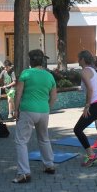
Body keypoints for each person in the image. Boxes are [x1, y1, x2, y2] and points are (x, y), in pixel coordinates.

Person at [11, 49, 58, 183]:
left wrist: (15, 110)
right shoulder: (49, 76)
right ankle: (49, 165)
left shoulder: (26, 73)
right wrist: (47, 108)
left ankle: (24, 173)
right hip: (44, 111)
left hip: (27, 111)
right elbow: (54, 97)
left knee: (21, 141)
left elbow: (18, 93)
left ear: (31, 61)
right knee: (44, 138)